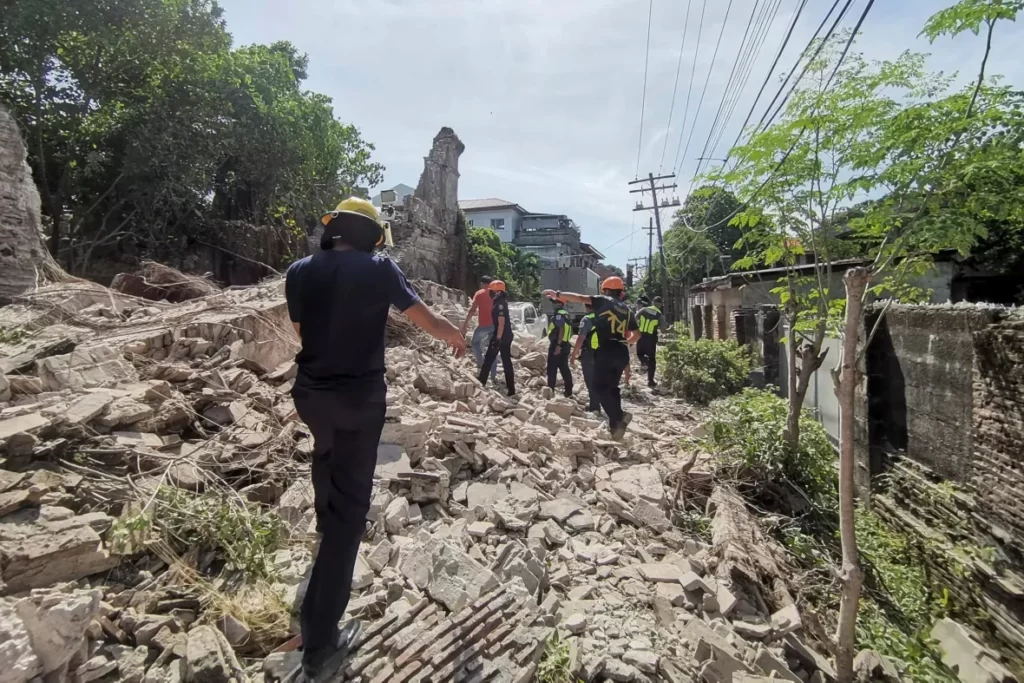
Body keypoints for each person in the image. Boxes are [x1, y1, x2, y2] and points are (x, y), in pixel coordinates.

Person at [285, 197, 465, 683]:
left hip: (311, 396)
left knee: (326, 453)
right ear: (373, 235)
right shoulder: (380, 268)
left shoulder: (299, 270)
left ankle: (327, 518)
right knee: (350, 513)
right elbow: (422, 318)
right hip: (359, 400)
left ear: (334, 229)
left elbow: (300, 330)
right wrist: (457, 337)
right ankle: (320, 644)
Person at [542, 277, 640, 439]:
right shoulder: (627, 310)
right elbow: (637, 335)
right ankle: (615, 427)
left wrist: (558, 294)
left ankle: (620, 416)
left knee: (598, 387)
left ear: (606, 290)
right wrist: (623, 343)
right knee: (612, 388)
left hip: (606, 350)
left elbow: (580, 298)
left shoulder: (604, 301)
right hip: (621, 351)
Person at [478, 280, 516, 396]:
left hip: (502, 336)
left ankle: (480, 383)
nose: (490, 293)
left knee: (489, 359)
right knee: (506, 361)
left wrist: (498, 339)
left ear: (498, 291)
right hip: (505, 335)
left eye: (492, 291)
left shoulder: (500, 304)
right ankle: (511, 389)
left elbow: (501, 322)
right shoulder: (500, 302)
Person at [460, 275, 497, 381]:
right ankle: (494, 376)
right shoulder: (497, 294)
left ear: (482, 284)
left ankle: (481, 364)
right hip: (495, 326)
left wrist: (465, 324)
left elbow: (472, 310)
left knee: (475, 343)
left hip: (484, 326)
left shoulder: (480, 293)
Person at [570, 302, 600, 412]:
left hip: (590, 354)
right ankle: (600, 403)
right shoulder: (603, 318)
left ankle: (594, 407)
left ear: (587, 307)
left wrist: (573, 355)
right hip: (603, 353)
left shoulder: (586, 319)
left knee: (590, 381)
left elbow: (581, 339)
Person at [545, 296, 574, 397]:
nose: (553, 304)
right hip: (565, 345)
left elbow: (561, 329)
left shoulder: (559, 315)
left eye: (555, 302)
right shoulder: (565, 314)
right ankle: (568, 390)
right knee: (564, 368)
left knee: (552, 368)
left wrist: (558, 345)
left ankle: (550, 391)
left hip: (558, 345)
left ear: (560, 304)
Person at [636, 296, 664, 387]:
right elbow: (663, 329)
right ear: (660, 304)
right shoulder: (659, 314)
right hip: (651, 339)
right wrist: (669, 329)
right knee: (652, 360)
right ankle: (650, 381)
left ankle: (645, 363)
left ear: (653, 302)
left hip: (641, 336)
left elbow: (635, 318)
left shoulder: (644, 309)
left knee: (640, 354)